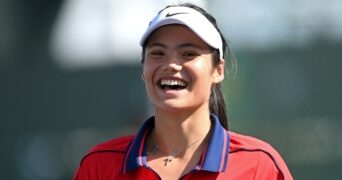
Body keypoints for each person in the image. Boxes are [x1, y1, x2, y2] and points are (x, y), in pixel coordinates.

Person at [73, 3, 293, 180]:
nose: (171, 65)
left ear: (218, 70)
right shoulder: (98, 166)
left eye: (188, 54)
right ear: (143, 69)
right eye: (158, 53)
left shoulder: (259, 167)